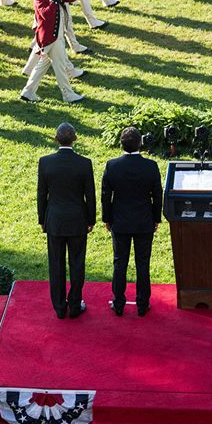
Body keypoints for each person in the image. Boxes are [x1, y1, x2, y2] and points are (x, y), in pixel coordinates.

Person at [101, 126, 162, 318]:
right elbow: (157, 195)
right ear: (140, 143)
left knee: (120, 262)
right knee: (143, 263)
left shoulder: (112, 166)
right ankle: (143, 304)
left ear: (121, 144)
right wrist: (156, 218)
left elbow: (106, 196)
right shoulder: (150, 166)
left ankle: (118, 303)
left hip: (120, 221)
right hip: (144, 221)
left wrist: (107, 218)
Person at [37, 122, 95, 319]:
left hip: (55, 220)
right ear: (75, 139)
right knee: (77, 264)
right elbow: (90, 195)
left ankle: (60, 307)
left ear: (56, 139)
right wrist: (91, 219)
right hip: (78, 220)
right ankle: (75, 304)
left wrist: (42, 219)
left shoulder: (45, 162)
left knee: (56, 264)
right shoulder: (84, 163)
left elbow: (42, 194)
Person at [21, 0, 84, 103]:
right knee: (60, 67)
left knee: (42, 66)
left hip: (56, 34)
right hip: (52, 37)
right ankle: (68, 95)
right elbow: (45, 15)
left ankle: (28, 92)